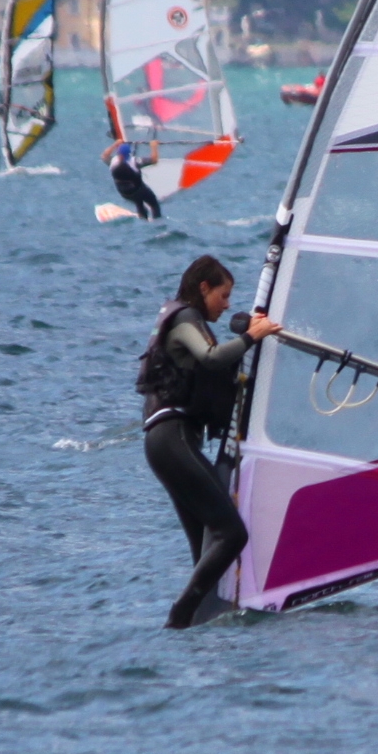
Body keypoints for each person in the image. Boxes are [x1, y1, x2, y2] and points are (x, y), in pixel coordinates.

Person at [136, 255, 281, 629]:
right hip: (171, 440)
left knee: (205, 543)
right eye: (224, 295)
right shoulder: (185, 319)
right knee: (232, 534)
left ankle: (198, 621)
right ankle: (181, 615)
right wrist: (252, 337)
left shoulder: (190, 318)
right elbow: (212, 357)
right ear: (204, 289)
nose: (228, 304)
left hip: (168, 443)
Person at [109, 137, 164, 220]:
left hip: (125, 193)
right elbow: (154, 160)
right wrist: (153, 146)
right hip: (138, 190)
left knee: (138, 202)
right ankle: (157, 221)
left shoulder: (113, 161)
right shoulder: (134, 161)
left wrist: (115, 145)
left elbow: (104, 155)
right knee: (154, 204)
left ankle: (142, 216)